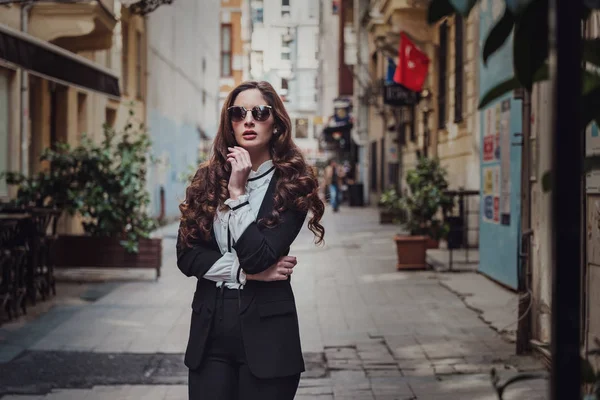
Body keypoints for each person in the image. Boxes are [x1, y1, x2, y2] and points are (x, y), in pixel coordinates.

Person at [176, 80, 325, 400]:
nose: (248, 120)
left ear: (276, 123)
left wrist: (238, 195)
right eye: (237, 113)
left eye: (259, 112)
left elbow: (260, 255)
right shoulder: (206, 180)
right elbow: (186, 255)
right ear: (228, 124)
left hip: (269, 338)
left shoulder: (294, 185)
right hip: (210, 333)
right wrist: (244, 273)